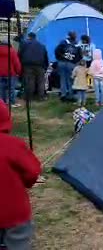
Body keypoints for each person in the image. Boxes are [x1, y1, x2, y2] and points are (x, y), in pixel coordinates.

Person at [0, 100, 42, 250]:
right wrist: (28, 182)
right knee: (18, 242)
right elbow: (33, 171)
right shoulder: (13, 145)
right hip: (14, 212)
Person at [19, 32, 49, 101]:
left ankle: (29, 97)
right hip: (40, 65)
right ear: (35, 37)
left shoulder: (24, 44)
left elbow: (19, 54)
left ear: (29, 37)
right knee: (41, 81)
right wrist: (46, 66)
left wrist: (21, 64)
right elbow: (45, 57)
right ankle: (41, 97)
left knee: (30, 81)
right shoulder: (42, 45)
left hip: (28, 65)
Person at [54, 31, 82, 101]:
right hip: (71, 64)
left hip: (61, 62)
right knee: (71, 79)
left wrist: (59, 58)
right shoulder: (77, 44)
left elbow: (57, 51)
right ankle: (71, 95)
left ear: (68, 36)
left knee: (62, 79)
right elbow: (80, 55)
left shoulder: (63, 42)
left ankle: (63, 94)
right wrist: (74, 62)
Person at [0, 42, 22, 107]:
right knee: (11, 88)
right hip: (10, 73)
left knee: (1, 88)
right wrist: (19, 72)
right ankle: (12, 102)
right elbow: (16, 62)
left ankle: (2, 102)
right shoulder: (12, 51)